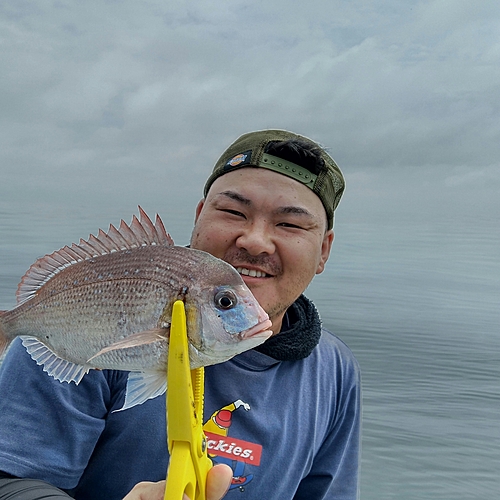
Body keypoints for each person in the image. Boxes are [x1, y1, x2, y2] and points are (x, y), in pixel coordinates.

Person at [0, 129, 361, 499]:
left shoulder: (334, 371)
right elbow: (10, 480)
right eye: (234, 211)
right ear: (200, 215)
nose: (254, 240)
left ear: (324, 251)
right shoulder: (86, 329)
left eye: (290, 224)